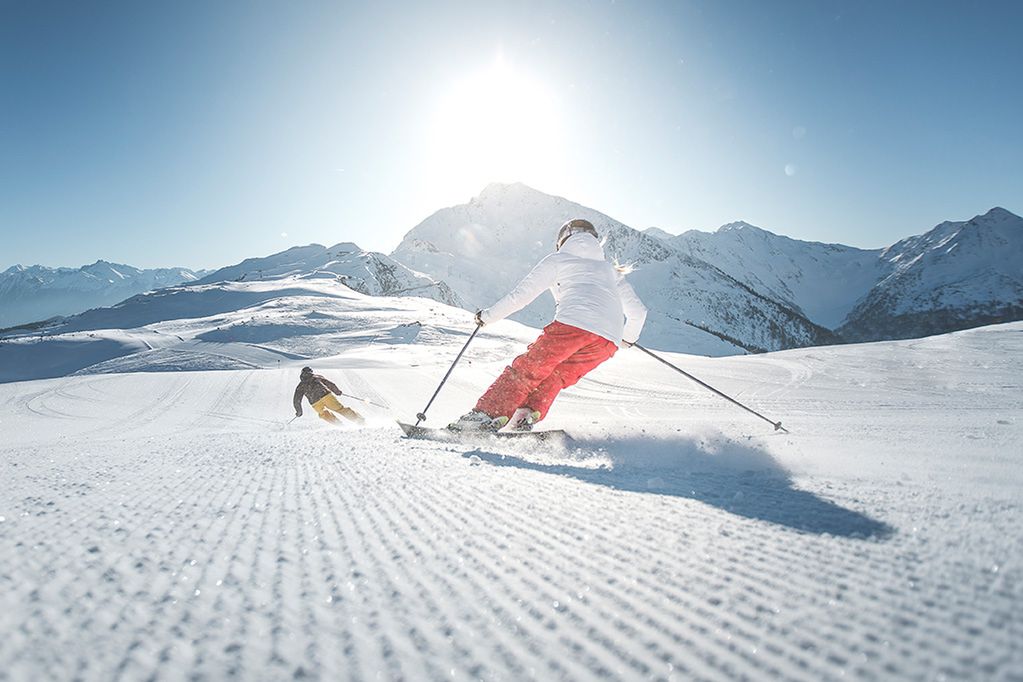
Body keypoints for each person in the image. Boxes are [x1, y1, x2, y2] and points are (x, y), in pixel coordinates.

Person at [449, 218, 647, 432]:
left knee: (527, 370)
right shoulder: (610, 270)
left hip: (572, 327)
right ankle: (525, 416)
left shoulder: (559, 260)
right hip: (608, 342)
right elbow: (638, 311)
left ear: (563, 240)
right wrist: (627, 338)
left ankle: (485, 416)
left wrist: (487, 316)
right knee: (557, 375)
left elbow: (520, 296)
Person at [293, 367, 364, 425]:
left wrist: (299, 411)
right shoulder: (317, 377)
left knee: (323, 414)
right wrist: (337, 392)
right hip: (326, 396)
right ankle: (358, 420)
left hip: (315, 402)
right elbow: (330, 384)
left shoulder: (300, 386)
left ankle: (338, 424)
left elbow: (297, 400)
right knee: (340, 409)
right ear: (311, 372)